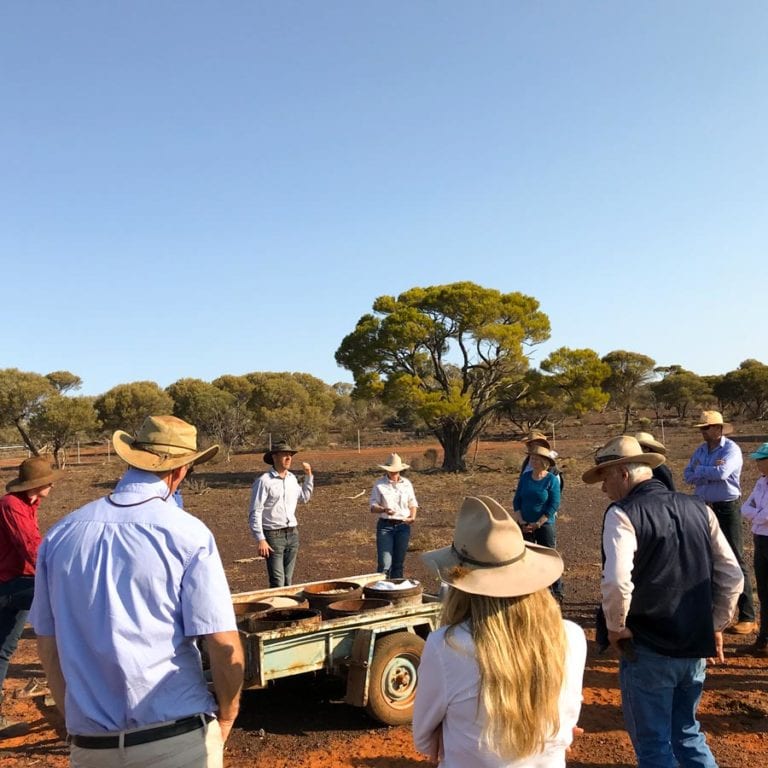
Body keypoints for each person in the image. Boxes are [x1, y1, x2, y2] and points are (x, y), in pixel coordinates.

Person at [30, 415, 243, 768]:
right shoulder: (187, 534)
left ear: (132, 458)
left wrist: (75, 722)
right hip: (174, 739)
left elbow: (48, 644)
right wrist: (227, 714)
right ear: (181, 470)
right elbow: (222, 643)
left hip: (91, 746)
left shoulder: (60, 534)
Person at [584, 435, 742, 768]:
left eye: (606, 477)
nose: (604, 488)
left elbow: (616, 581)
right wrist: (715, 625)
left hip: (649, 647)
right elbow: (732, 575)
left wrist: (615, 628)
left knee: (654, 744)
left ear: (624, 474)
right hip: (693, 646)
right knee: (688, 732)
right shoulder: (699, 508)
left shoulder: (622, 513)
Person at [413, 495, 586, 767]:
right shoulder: (571, 637)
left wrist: (450, 734)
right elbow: (565, 725)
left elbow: (423, 740)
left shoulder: (446, 646)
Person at [0, 456, 58, 734]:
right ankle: (65, 687)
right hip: (11, 583)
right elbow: (32, 549)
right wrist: (60, 579)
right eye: (48, 480)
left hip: (18, 581)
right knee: (68, 612)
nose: (52, 485)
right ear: (39, 483)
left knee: (4, 648)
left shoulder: (28, 504)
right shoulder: (11, 506)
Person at [683, 410, 755, 634]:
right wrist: (708, 471)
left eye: (706, 428)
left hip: (726, 507)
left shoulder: (731, 449)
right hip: (703, 507)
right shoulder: (700, 450)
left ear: (718, 428)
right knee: (705, 557)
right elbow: (687, 475)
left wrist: (701, 471)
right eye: (701, 428)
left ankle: (747, 616)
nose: (703, 432)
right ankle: (714, 612)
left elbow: (723, 473)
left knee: (735, 558)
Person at [248, 440, 313, 588]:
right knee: (277, 580)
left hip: (292, 533)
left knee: (288, 580)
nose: (289, 458)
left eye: (290, 455)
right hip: (273, 535)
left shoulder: (292, 479)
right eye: (285, 455)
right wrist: (261, 539)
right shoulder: (264, 481)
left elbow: (304, 497)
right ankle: (278, 609)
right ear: (275, 457)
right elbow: (255, 511)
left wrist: (309, 476)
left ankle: (287, 609)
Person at [512, 445, 564, 602]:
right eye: (531, 458)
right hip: (524, 523)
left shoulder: (551, 480)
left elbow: (554, 504)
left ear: (544, 462)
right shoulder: (525, 478)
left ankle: (557, 590)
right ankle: (530, 589)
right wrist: (521, 521)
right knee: (526, 557)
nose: (532, 461)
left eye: (535, 459)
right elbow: (517, 500)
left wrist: (538, 523)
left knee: (549, 557)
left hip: (544, 524)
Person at [369, 453, 418, 579]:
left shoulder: (406, 483)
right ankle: (381, 590)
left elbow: (412, 502)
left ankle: (396, 590)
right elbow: (373, 506)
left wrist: (412, 517)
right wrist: (384, 509)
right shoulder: (379, 484)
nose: (394, 473)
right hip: (386, 526)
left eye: (396, 471)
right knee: (385, 564)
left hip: (403, 525)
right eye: (392, 471)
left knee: (398, 563)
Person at [741, 442, 768, 657]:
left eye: (761, 460)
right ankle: (764, 640)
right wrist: (759, 518)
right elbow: (745, 507)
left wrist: (757, 517)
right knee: (764, 591)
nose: (758, 464)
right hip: (760, 538)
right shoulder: (761, 483)